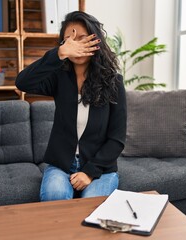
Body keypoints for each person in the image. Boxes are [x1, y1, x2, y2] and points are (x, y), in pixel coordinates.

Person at [15, 11, 126, 201]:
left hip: (100, 167)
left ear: (96, 40)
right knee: (54, 197)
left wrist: (89, 172)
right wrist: (58, 54)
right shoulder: (59, 78)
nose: (76, 45)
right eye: (69, 41)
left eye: (82, 38)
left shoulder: (113, 82)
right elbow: (23, 82)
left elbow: (117, 139)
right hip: (61, 165)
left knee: (91, 205)